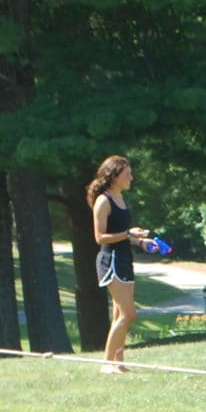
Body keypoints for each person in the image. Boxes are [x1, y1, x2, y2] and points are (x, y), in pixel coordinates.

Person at [89, 155, 154, 373]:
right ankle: (107, 364)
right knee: (129, 314)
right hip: (111, 261)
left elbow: (123, 236)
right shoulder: (103, 201)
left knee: (119, 315)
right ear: (114, 176)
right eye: (127, 175)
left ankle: (119, 363)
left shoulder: (120, 197)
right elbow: (100, 238)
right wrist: (128, 233)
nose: (131, 178)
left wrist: (140, 242)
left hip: (125, 258)